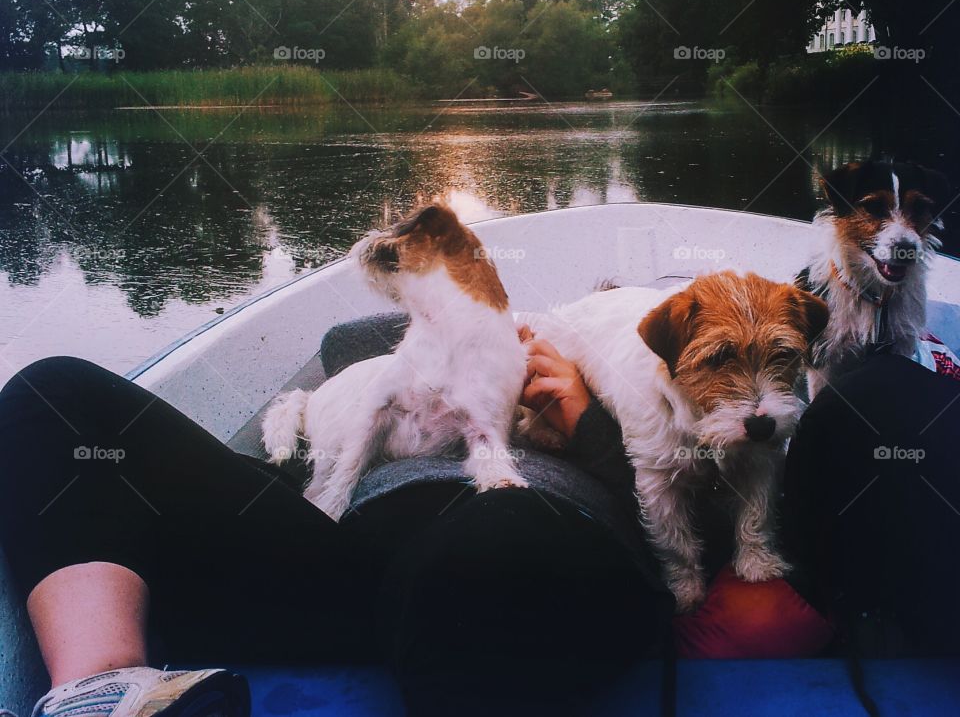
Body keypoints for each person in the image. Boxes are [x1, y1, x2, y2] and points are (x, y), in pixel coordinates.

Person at [2, 317, 958, 717]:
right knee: (51, 393)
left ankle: (100, 680)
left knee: (502, 544)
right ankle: (99, 691)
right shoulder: (367, 371)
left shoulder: (614, 407)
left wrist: (584, 425)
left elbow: (693, 514)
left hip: (520, 558)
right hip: (380, 568)